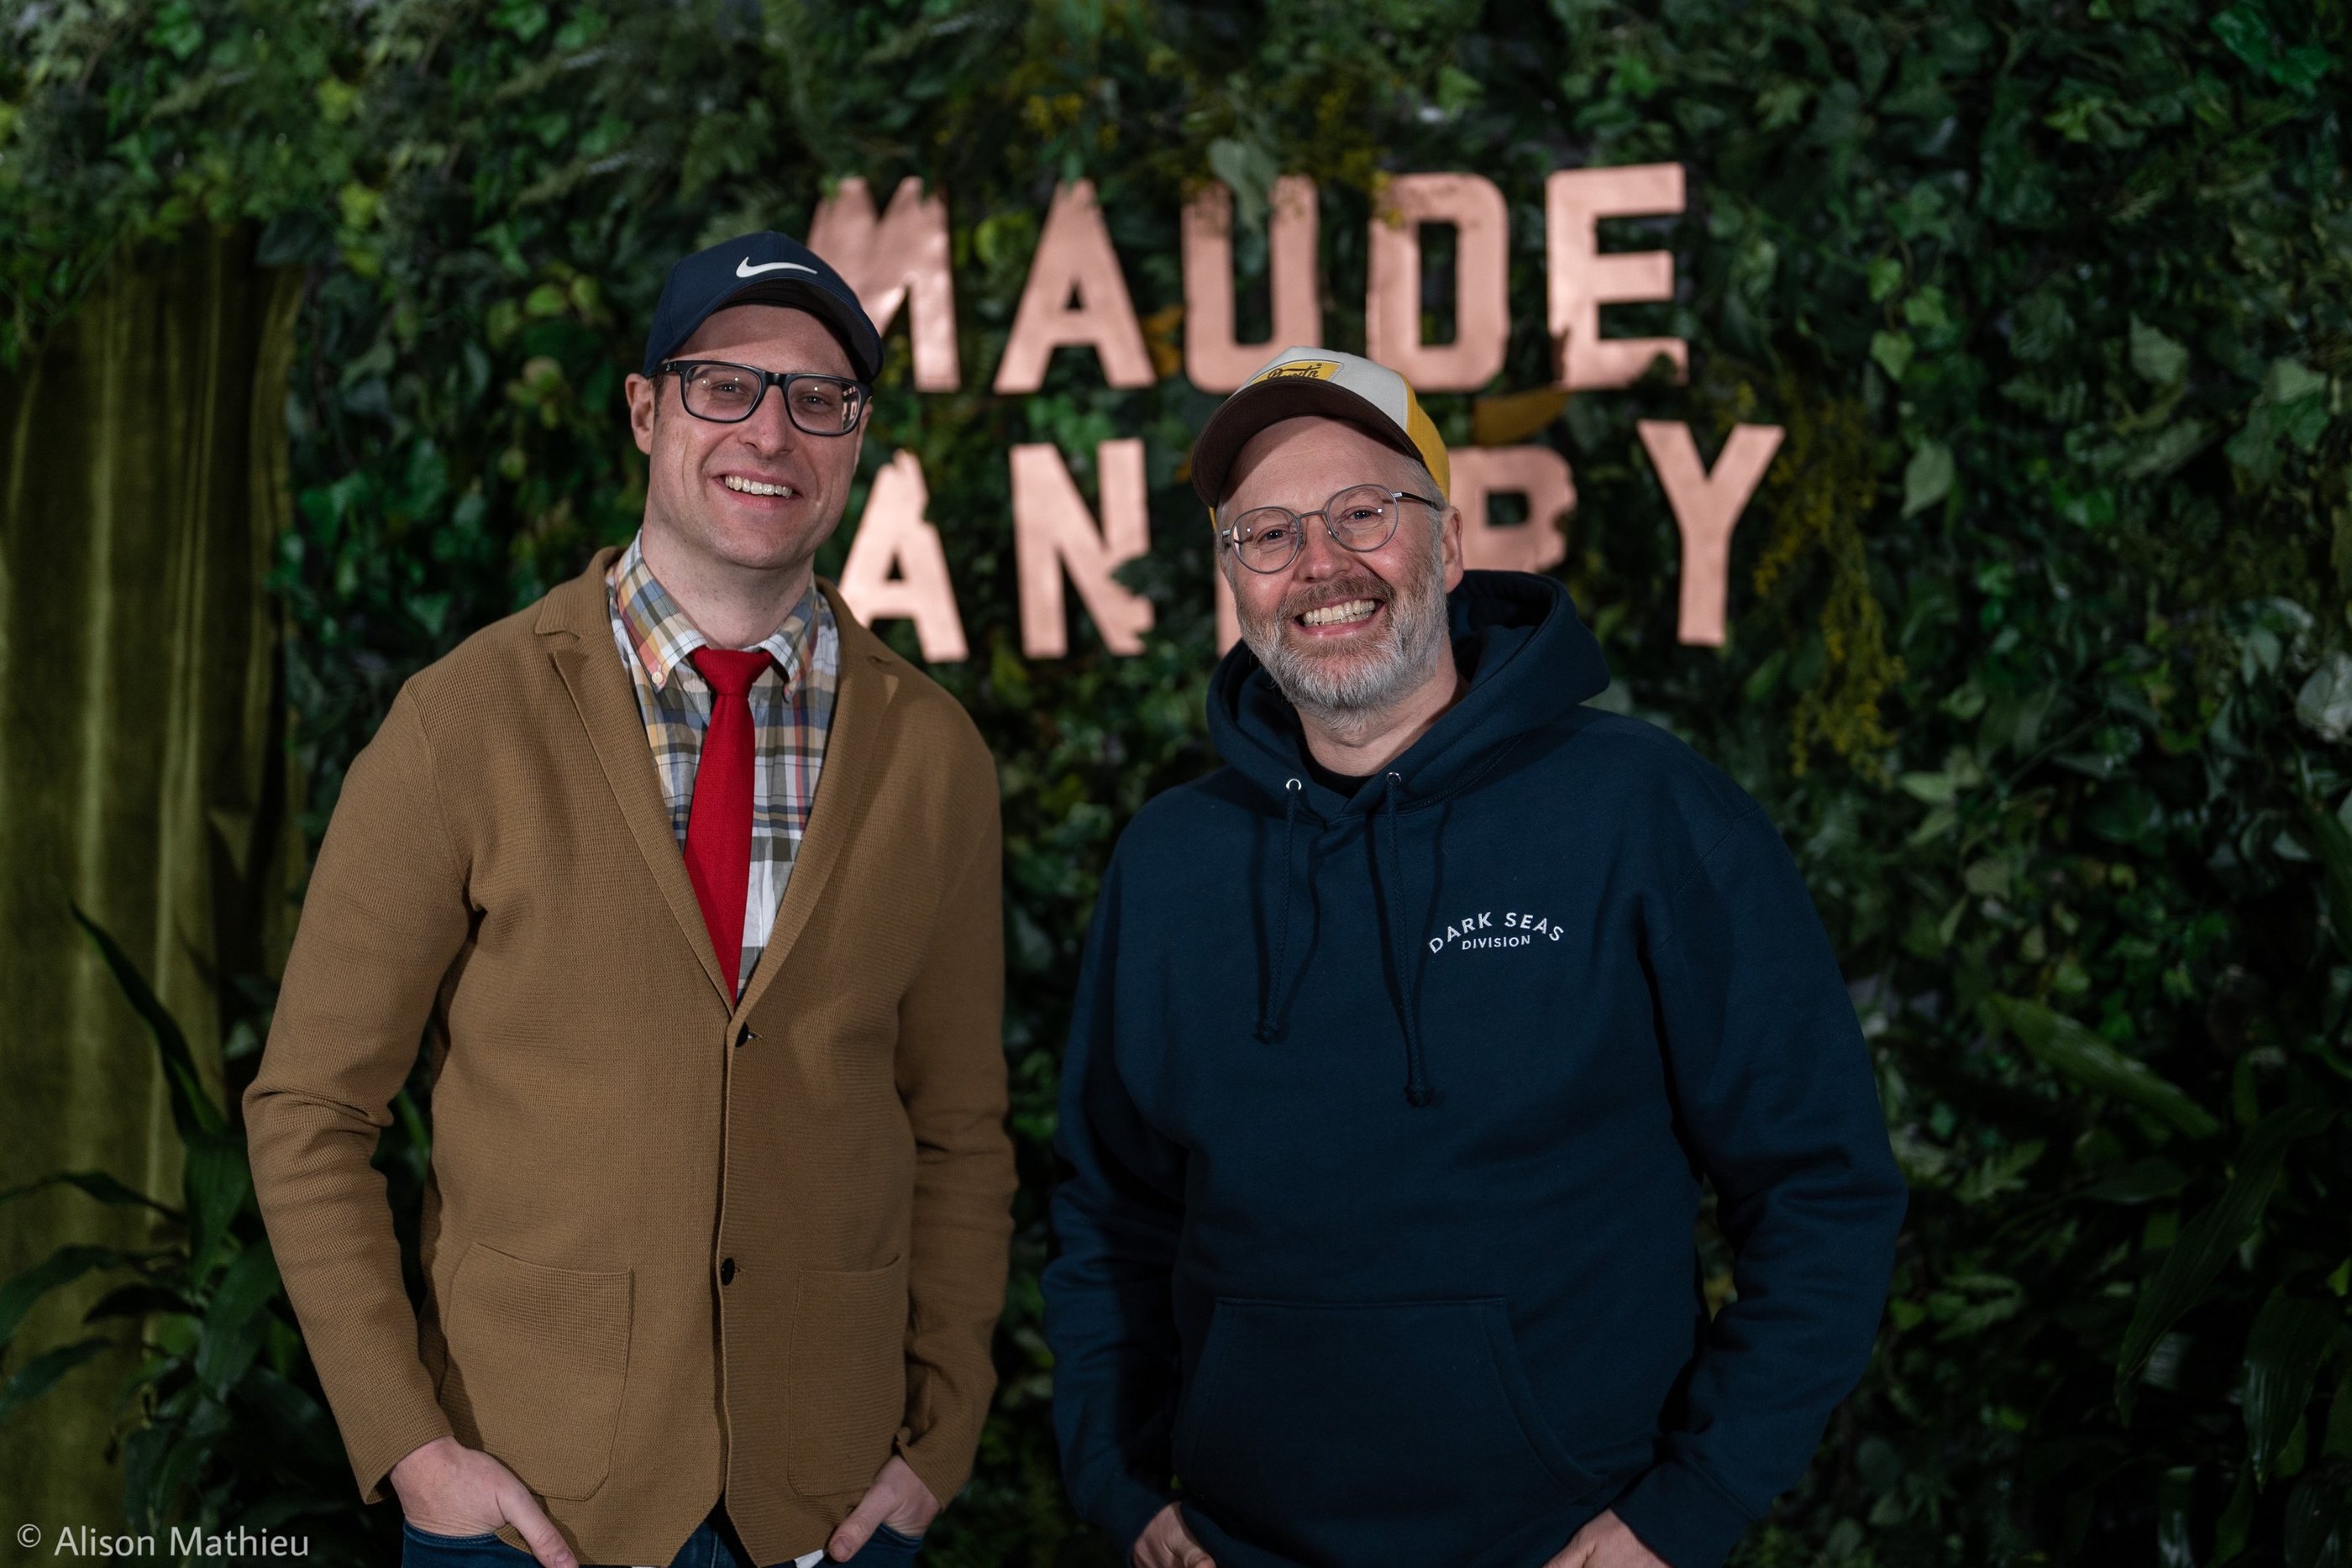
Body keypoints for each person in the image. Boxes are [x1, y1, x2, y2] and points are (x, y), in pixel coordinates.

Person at [1042, 348, 1908, 1568]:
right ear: (1232, 580)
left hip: (1569, 1545)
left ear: (1447, 547)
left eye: (1363, 513)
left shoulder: (1646, 813)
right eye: (1269, 534)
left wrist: (1691, 1506)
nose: (1320, 564)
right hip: (1240, 1547)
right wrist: (1120, 1484)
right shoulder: (1170, 861)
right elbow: (1108, 1212)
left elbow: (1821, 1187)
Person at [245, 232, 1015, 1568]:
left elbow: (959, 1134)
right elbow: (311, 1109)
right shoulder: (464, 722)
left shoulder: (933, 754)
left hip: (830, 1511)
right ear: (647, 409)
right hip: (526, 1504)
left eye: (819, 399)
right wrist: (411, 1446)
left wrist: (936, 1445)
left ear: (855, 440)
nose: (771, 433)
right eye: (726, 386)